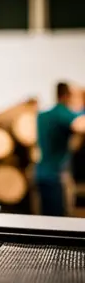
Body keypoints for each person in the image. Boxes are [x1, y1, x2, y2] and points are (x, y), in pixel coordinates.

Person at [35, 82, 85, 216]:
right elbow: (80, 125)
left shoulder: (43, 115)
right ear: (67, 97)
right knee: (60, 222)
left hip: (41, 173)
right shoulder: (61, 113)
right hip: (56, 177)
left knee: (46, 221)